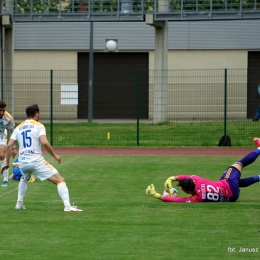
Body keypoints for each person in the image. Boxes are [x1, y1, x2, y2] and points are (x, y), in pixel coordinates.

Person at [1, 104, 82, 212]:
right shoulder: (39, 126)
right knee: (60, 180)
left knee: (24, 178)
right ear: (37, 114)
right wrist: (54, 156)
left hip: (23, 162)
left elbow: (10, 145)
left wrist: (7, 163)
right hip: (36, 161)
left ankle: (19, 203)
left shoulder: (18, 127)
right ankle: (67, 206)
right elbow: (44, 142)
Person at [146, 138, 260, 203]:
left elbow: (175, 200)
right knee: (239, 164)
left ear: (186, 191)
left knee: (237, 181)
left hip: (232, 197)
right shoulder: (197, 179)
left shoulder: (197, 199)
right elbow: (186, 177)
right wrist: (172, 178)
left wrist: (156, 195)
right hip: (228, 185)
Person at [0, 100, 18, 187]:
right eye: (0, 110)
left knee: (1, 155)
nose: (2, 112)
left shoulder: (8, 118)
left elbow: (12, 132)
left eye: (3, 110)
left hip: (2, 135)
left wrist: (14, 147)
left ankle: (5, 180)